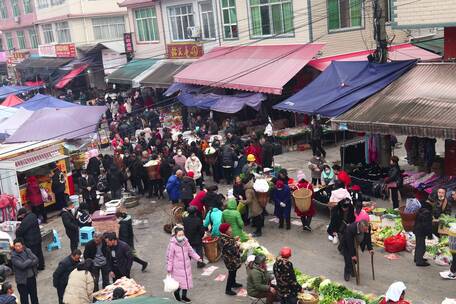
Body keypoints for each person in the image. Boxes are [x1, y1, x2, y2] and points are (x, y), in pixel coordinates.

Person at [166, 225, 202, 303]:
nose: (181, 236)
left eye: (182, 235)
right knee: (179, 284)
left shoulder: (186, 242)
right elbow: (170, 257)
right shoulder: (172, 245)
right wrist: (169, 268)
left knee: (186, 282)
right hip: (177, 269)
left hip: (186, 267)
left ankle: (184, 296)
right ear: (175, 235)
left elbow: (191, 251)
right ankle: (176, 294)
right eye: (179, 235)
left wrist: (198, 258)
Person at [11, 238, 39, 304]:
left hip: (31, 278)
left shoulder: (27, 250)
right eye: (16, 246)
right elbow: (22, 266)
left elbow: (36, 259)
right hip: (22, 281)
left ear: (23, 245)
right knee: (24, 299)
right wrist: (30, 260)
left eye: (19, 246)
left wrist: (27, 263)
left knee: (34, 296)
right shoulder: (14, 256)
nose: (17, 248)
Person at [219, 223, 242, 296]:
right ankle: (228, 289)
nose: (231, 230)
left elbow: (230, 242)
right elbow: (232, 250)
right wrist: (238, 245)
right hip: (230, 260)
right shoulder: (224, 240)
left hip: (232, 260)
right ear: (225, 231)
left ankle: (233, 283)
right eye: (229, 229)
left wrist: (235, 239)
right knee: (231, 273)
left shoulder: (225, 237)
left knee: (234, 271)